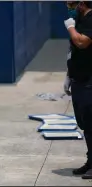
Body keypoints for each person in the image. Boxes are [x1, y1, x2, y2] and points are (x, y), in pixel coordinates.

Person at [64, 1, 92, 179]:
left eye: (71, 3)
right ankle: (91, 161)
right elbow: (74, 51)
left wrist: (71, 29)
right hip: (78, 78)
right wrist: (68, 75)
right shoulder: (80, 18)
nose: (69, 6)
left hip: (90, 79)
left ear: (82, 3)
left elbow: (82, 43)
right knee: (85, 124)